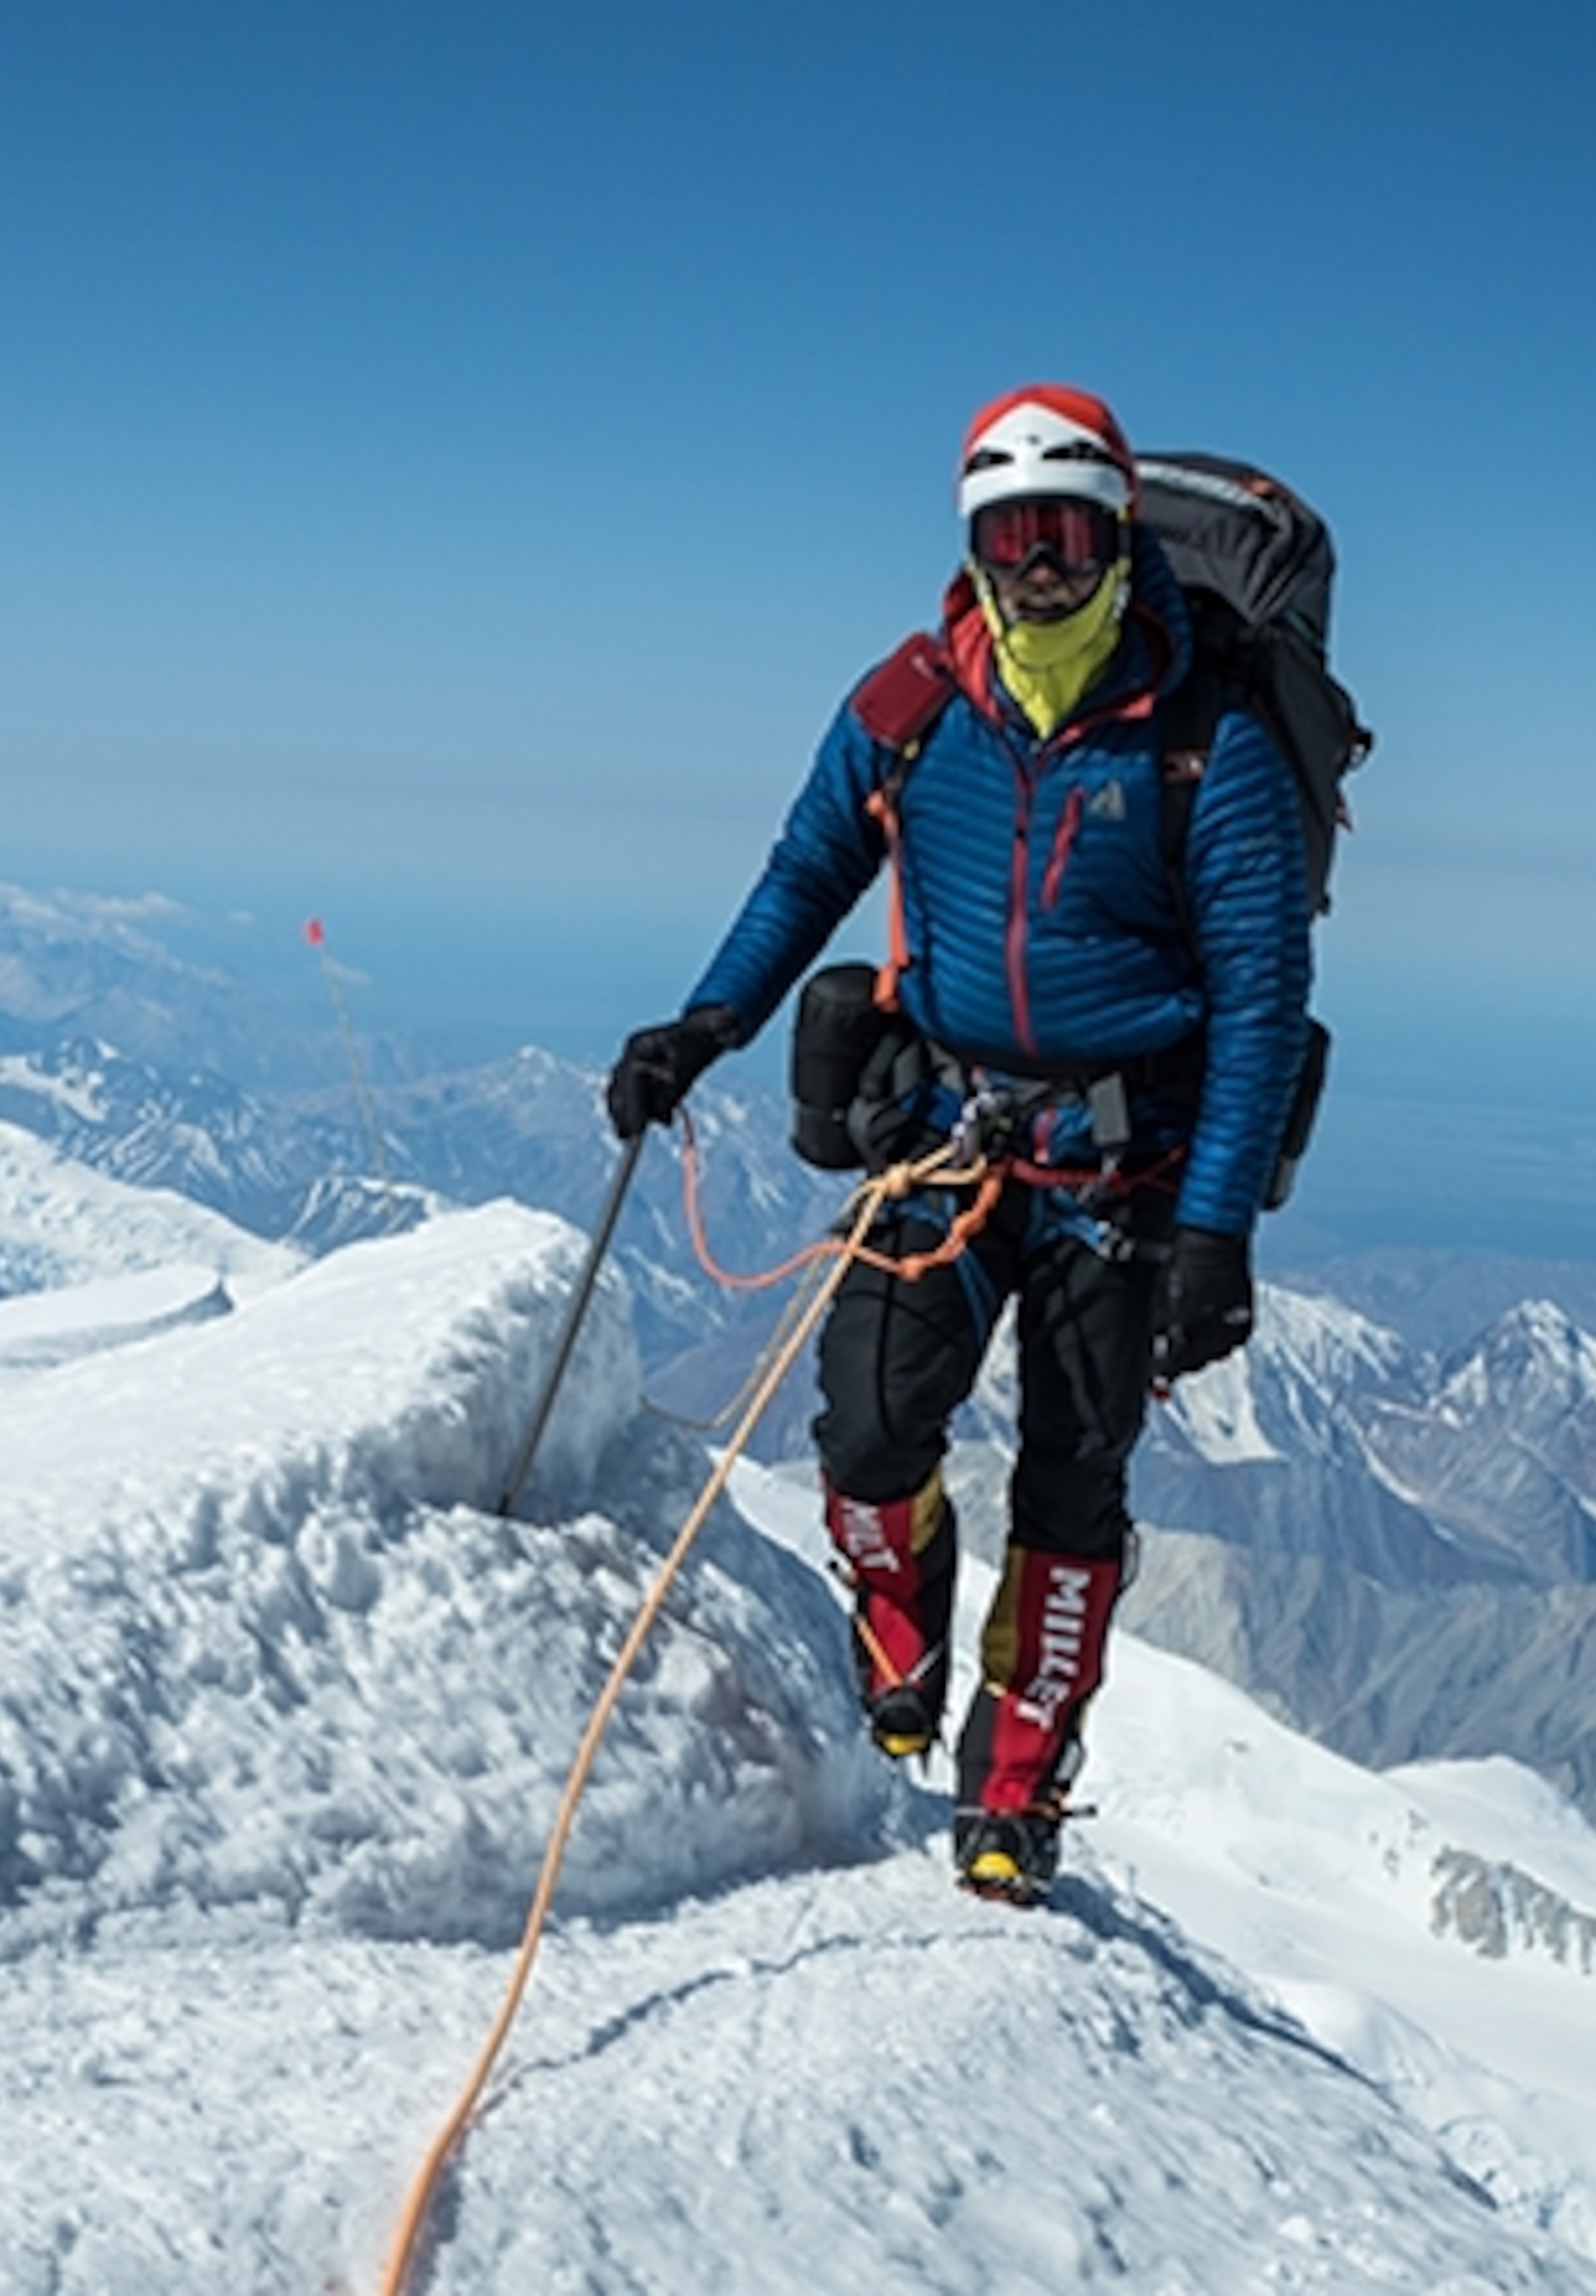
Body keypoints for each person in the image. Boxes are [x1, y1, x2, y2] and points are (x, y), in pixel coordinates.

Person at [606, 384, 1314, 1904]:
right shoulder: (916, 705)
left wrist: (1215, 1230)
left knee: (1074, 1480)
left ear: (1121, 534)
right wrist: (703, 1026)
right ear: (972, 545)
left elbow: (1261, 993)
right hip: (940, 1134)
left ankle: (1014, 1793)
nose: (1039, 567)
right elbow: (806, 873)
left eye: (1066, 533)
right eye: (1011, 535)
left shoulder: (1211, 736)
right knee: (865, 1426)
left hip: (1125, 1170)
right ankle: (901, 1634)